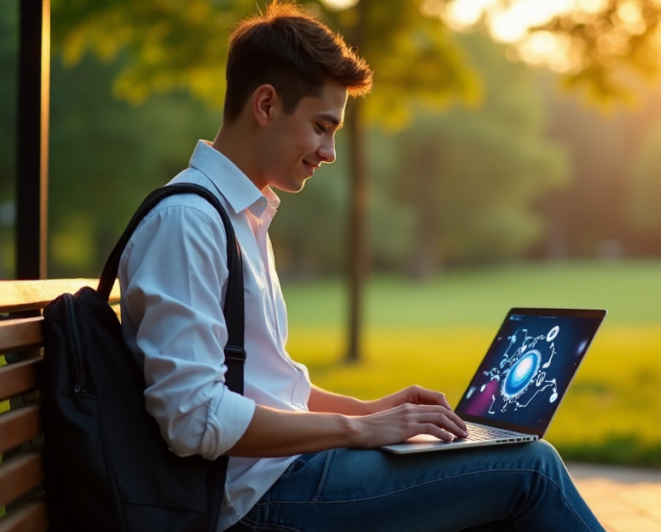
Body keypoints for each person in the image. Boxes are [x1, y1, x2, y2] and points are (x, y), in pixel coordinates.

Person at [117, 2, 605, 531]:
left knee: (491, 473)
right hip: (255, 502)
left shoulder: (238, 216)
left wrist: (371, 411)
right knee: (532, 471)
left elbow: (268, 387)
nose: (329, 152)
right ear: (265, 105)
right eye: (322, 127)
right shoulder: (189, 222)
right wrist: (356, 431)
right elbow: (194, 419)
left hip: (283, 476)